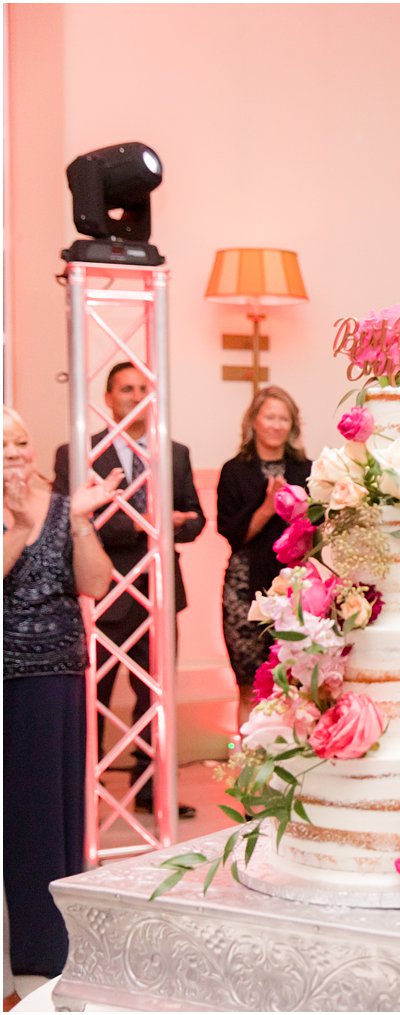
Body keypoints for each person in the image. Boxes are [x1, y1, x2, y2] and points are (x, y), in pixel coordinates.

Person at [53, 362, 206, 819]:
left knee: (155, 697)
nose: (135, 396)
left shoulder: (174, 453)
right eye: (126, 389)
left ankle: (152, 788)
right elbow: (71, 520)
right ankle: (88, 791)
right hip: (104, 592)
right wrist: (152, 526)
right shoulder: (77, 452)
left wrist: (176, 526)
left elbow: (194, 519)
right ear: (108, 395)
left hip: (160, 593)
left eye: (143, 389)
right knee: (94, 696)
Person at [4, 406, 119, 977]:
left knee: (54, 809)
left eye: (21, 441)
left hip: (58, 670)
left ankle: (54, 943)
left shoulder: (56, 506)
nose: (16, 453)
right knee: (16, 812)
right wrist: (16, 526)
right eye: (4, 444)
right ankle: (18, 943)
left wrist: (77, 521)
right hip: (7, 672)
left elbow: (95, 583)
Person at [215, 387, 310, 703]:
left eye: (284, 418)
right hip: (245, 589)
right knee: (250, 686)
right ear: (254, 421)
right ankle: (249, 752)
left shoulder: (305, 470)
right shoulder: (234, 471)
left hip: (295, 588)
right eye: (270, 416)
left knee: (299, 685)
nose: (277, 425)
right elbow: (232, 535)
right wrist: (268, 506)